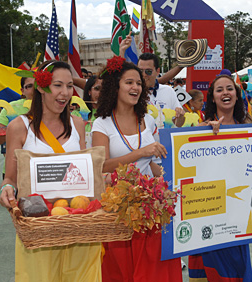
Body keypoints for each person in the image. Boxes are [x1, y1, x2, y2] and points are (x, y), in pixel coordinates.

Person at [0, 60, 101, 282]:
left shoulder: (78, 125)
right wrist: (7, 188)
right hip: (39, 227)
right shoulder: (19, 126)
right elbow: (11, 177)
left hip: (78, 224)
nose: (65, 93)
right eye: (57, 85)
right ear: (41, 87)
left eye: (68, 86)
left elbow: (84, 172)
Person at [92, 57, 182, 282]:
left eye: (139, 84)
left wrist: (170, 181)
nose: (135, 87)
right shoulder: (101, 123)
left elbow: (151, 164)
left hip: (150, 208)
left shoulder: (148, 119)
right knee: (122, 272)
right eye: (129, 82)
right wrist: (141, 152)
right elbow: (101, 165)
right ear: (115, 86)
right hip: (119, 210)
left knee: (153, 273)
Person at [188, 74, 252, 281]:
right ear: (213, 98)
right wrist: (200, 137)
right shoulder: (202, 128)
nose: (225, 92)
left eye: (229, 88)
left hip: (240, 211)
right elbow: (187, 164)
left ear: (236, 94)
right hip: (210, 210)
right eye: (219, 90)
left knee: (238, 267)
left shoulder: (248, 125)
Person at [137, 53, 185, 136]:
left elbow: (178, 124)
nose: (144, 75)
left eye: (148, 71)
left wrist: (180, 116)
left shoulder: (168, 90)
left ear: (157, 71)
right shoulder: (133, 93)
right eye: (140, 71)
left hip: (165, 144)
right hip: (142, 144)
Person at [71, 75, 102, 147]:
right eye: (97, 89)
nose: (101, 93)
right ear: (89, 91)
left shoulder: (111, 114)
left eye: (104, 90)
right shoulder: (76, 114)